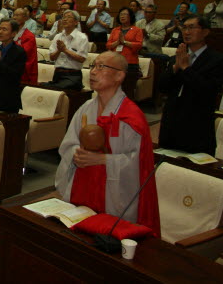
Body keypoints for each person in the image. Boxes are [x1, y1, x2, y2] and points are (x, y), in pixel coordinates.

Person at [55, 52, 160, 235]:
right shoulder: (86, 109)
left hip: (114, 197)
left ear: (119, 76)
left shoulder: (130, 117)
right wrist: (76, 153)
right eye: (93, 66)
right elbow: (68, 144)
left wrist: (103, 160)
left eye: (101, 67)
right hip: (83, 185)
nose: (93, 72)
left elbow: (140, 163)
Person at [159, 16, 223, 155]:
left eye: (192, 27)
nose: (186, 32)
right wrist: (175, 68)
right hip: (171, 124)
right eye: (184, 28)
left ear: (205, 32)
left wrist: (186, 68)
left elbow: (207, 90)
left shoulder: (219, 59)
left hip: (197, 126)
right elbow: (162, 87)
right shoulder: (177, 57)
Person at [44, 10, 89, 90]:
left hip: (73, 76)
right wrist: (59, 50)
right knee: (43, 86)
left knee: (58, 88)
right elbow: (52, 57)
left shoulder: (82, 38)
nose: (65, 19)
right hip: (58, 74)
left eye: (68, 17)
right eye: (63, 17)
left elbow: (82, 59)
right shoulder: (58, 36)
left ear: (76, 22)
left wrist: (65, 50)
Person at [107, 7, 143, 100]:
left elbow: (139, 45)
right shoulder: (115, 30)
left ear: (130, 16)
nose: (122, 16)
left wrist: (125, 42)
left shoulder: (137, 30)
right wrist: (117, 42)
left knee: (127, 91)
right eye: (121, 14)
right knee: (114, 90)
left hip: (130, 64)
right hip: (115, 63)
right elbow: (108, 45)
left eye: (125, 14)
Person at [13, 7, 38, 85]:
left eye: (17, 15)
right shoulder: (12, 32)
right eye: (14, 15)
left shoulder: (29, 36)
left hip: (25, 70)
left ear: (24, 17)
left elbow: (23, 53)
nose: (14, 17)